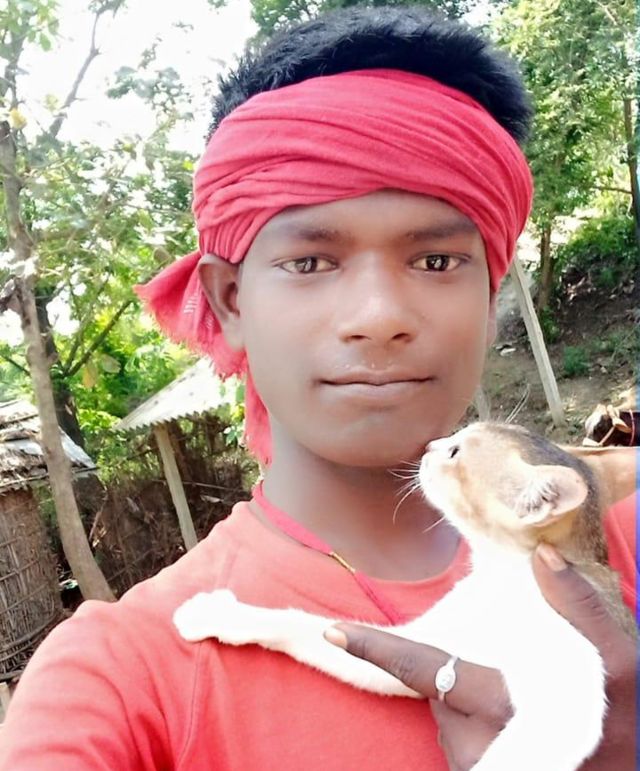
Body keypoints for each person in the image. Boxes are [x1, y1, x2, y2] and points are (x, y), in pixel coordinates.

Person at [0, 6, 636, 770]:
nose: (378, 317)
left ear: (491, 290)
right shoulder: (125, 674)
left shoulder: (619, 546)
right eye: (309, 262)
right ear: (231, 302)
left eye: (435, 261)